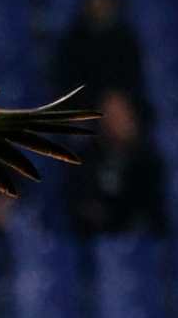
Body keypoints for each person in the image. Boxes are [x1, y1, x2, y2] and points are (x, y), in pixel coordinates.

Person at [68, 91, 167, 237]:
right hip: (96, 238)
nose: (117, 121)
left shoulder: (146, 159)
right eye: (111, 115)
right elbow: (83, 202)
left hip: (139, 236)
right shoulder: (89, 157)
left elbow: (149, 205)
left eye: (121, 114)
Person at [53, 0, 151, 121]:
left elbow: (133, 76)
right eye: (95, 2)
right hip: (87, 108)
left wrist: (118, 100)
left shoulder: (125, 39)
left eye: (103, 2)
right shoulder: (74, 42)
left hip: (122, 101)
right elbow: (68, 82)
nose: (99, 7)